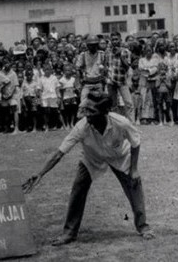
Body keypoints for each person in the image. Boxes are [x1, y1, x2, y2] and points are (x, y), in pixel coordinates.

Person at [23, 92, 155, 245]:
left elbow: (135, 143)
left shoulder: (121, 122)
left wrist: (134, 169)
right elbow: (59, 153)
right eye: (86, 109)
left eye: (92, 111)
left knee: (134, 185)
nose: (87, 114)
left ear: (105, 112)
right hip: (92, 158)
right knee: (78, 188)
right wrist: (40, 173)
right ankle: (69, 233)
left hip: (120, 157)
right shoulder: (82, 126)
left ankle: (143, 227)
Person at [105, 32, 134, 121]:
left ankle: (131, 124)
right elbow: (106, 65)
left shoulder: (126, 51)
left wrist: (121, 55)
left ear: (120, 40)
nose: (114, 41)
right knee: (113, 105)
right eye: (113, 39)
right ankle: (116, 124)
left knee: (128, 103)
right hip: (111, 81)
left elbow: (127, 66)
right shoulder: (107, 52)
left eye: (116, 39)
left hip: (122, 81)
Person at [75, 35, 107, 106]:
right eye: (91, 45)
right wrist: (79, 81)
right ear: (87, 45)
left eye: (95, 45)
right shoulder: (83, 55)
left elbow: (105, 67)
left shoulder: (102, 54)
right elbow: (77, 68)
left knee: (100, 105)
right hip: (87, 83)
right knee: (83, 104)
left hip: (99, 83)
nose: (93, 47)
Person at [38, 63, 64, 131]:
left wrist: (59, 97)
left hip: (53, 96)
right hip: (45, 97)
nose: (47, 71)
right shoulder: (41, 79)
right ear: (43, 70)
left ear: (51, 70)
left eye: (48, 69)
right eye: (46, 69)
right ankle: (46, 126)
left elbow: (57, 88)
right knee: (45, 112)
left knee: (57, 112)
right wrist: (40, 99)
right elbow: (40, 90)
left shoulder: (54, 77)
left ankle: (63, 125)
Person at [21, 64, 40, 132]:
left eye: (30, 75)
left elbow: (37, 93)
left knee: (34, 114)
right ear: (25, 76)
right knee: (26, 114)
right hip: (26, 99)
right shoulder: (24, 83)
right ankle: (27, 128)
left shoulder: (35, 83)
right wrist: (23, 101)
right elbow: (22, 93)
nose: (29, 76)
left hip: (33, 98)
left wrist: (36, 101)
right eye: (27, 75)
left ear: (32, 75)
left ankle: (34, 128)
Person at [59, 64, 79, 129]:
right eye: (66, 70)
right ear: (64, 71)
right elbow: (60, 90)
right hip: (65, 97)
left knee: (73, 111)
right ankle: (67, 123)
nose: (68, 72)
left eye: (69, 70)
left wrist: (75, 89)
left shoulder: (73, 79)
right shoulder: (62, 80)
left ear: (71, 71)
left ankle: (72, 123)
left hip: (72, 96)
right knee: (67, 112)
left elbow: (76, 87)